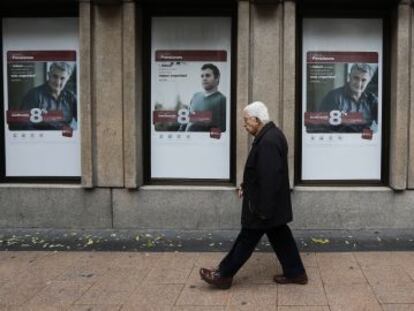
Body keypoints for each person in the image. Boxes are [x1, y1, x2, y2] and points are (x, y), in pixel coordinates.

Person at [199, 101, 307, 289]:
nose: (244, 124)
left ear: (257, 120)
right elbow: (261, 172)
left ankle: (223, 275)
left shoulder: (268, 141)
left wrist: (263, 210)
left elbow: (269, 178)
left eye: (246, 120)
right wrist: (245, 185)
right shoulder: (270, 136)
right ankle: (296, 272)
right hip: (269, 205)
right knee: (280, 236)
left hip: (262, 206)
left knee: (246, 239)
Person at [317, 63, 378, 133]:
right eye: (356, 78)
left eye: (363, 80)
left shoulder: (372, 100)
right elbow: (323, 127)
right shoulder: (334, 97)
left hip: (363, 141)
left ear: (368, 82)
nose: (359, 83)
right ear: (349, 76)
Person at [20, 61, 77, 130]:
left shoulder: (71, 97)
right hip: (42, 138)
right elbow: (25, 125)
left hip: (65, 137)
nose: (58, 82)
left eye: (62, 78)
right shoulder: (33, 95)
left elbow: (83, 120)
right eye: (55, 76)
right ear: (49, 75)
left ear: (67, 79)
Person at [179, 63, 226, 132]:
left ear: (217, 78)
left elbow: (222, 128)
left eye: (207, 75)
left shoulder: (222, 99)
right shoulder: (195, 96)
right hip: (186, 139)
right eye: (202, 76)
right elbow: (186, 121)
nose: (204, 78)